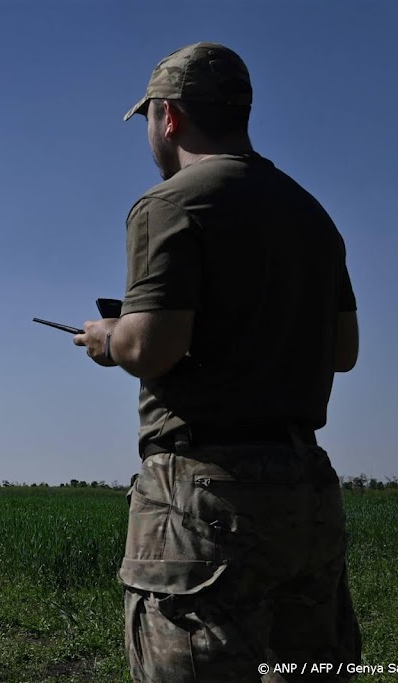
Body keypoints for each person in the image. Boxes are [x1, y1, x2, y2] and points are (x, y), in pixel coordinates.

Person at [72, 43, 361, 682]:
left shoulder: (169, 204)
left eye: (148, 118)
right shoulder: (312, 214)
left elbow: (152, 347)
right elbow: (345, 353)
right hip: (305, 489)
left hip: (205, 495)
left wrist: (107, 336)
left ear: (168, 116)